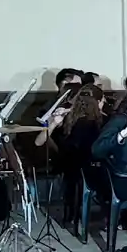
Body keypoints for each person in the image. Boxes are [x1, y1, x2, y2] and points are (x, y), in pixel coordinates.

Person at [50, 85, 105, 228]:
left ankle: (70, 215)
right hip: (88, 167)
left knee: (73, 179)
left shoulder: (70, 121)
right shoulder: (95, 123)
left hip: (68, 165)